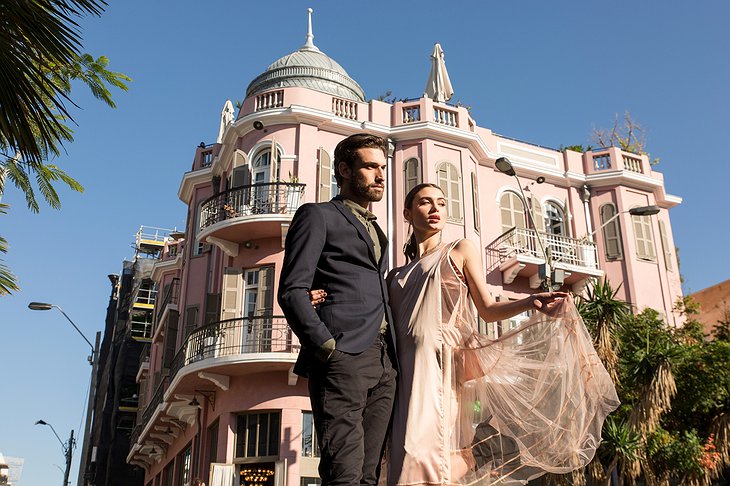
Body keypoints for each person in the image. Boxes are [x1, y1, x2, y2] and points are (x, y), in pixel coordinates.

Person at [385, 183, 619, 485]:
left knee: (426, 454)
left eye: (441, 203)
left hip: (440, 365)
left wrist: (530, 302)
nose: (435, 209)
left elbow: (487, 308)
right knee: (402, 454)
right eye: (425, 202)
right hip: (401, 372)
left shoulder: (459, 249)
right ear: (407, 212)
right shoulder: (395, 275)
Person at [278, 133, 398, 486]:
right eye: (370, 166)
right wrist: (327, 345)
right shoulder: (318, 215)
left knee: (368, 475)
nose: (380, 175)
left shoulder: (377, 230)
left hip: (384, 361)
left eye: (382, 168)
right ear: (344, 169)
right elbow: (293, 289)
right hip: (343, 355)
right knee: (343, 471)